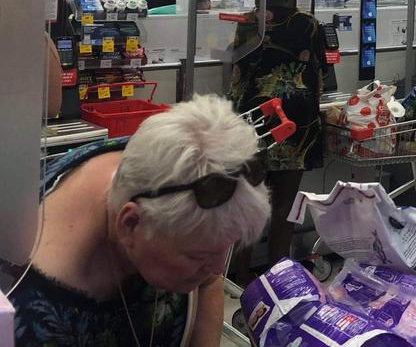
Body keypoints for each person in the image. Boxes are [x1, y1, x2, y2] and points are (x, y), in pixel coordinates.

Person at [5, 95, 270, 347]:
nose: (216, 267)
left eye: (225, 247)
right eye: (196, 255)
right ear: (130, 223)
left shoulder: (155, 163)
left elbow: (210, 281)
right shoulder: (32, 314)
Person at [228, 0, 328, 285]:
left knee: (250, 201)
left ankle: (241, 276)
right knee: (285, 204)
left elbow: (238, 74)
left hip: (255, 118)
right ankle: (277, 276)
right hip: (296, 120)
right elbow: (319, 75)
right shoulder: (310, 25)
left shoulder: (247, 24)